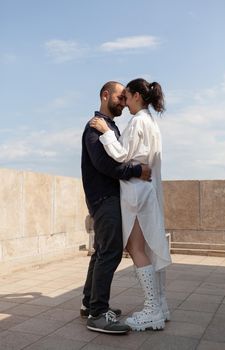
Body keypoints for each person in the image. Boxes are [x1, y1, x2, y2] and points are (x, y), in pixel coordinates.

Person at [90, 78, 172, 332]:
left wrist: (105, 133)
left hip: (136, 193)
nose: (124, 102)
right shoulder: (150, 122)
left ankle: (151, 309)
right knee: (144, 247)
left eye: (126, 96)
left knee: (135, 248)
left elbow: (123, 155)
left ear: (137, 95)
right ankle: (159, 305)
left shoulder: (138, 121)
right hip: (144, 191)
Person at [81, 81, 152, 334]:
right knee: (110, 253)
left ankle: (89, 303)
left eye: (125, 98)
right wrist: (137, 171)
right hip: (104, 198)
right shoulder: (94, 128)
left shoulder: (110, 127)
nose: (124, 102)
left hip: (109, 197)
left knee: (101, 251)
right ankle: (98, 314)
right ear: (105, 95)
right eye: (120, 98)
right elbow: (104, 165)